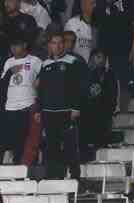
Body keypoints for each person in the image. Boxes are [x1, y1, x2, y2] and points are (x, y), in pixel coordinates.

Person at [36, 31, 86, 179]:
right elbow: (41, 89)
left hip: (67, 111)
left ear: (64, 45)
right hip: (49, 112)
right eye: (53, 43)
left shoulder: (73, 61)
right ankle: (54, 178)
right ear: (49, 46)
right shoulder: (45, 64)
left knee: (70, 147)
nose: (57, 46)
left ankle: (75, 177)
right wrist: (39, 110)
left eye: (60, 43)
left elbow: (80, 86)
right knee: (51, 147)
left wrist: (76, 107)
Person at [0, 35, 41, 165]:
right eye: (12, 45)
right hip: (10, 106)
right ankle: (17, 165)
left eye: (17, 45)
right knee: (15, 140)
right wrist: (10, 72)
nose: (14, 48)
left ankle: (30, 166)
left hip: (28, 104)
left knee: (29, 139)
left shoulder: (35, 61)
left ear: (24, 45)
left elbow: (44, 77)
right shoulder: (8, 62)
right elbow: (2, 83)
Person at [94, 0, 134, 110]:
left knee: (124, 84)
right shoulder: (100, 5)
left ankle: (124, 112)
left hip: (123, 52)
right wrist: (96, 52)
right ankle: (107, 111)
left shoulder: (128, 4)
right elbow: (95, 30)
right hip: (104, 53)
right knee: (105, 83)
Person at [80, 48, 117, 162]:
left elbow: (113, 93)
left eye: (103, 58)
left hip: (104, 115)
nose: (101, 60)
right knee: (87, 145)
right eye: (98, 57)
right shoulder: (85, 73)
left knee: (102, 144)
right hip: (88, 116)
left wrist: (111, 110)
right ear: (92, 58)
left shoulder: (110, 74)